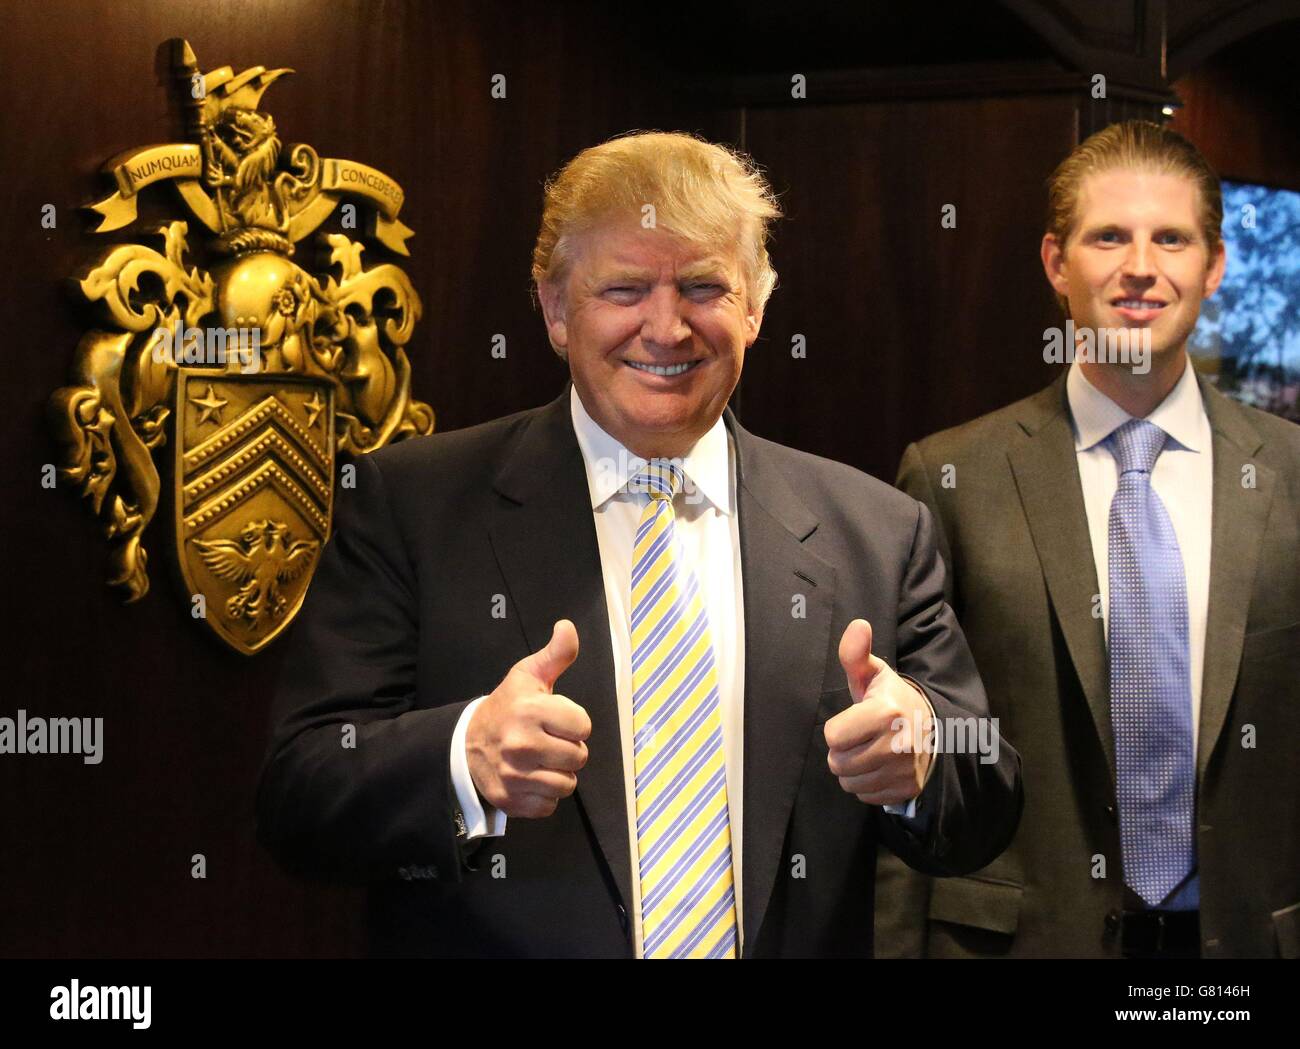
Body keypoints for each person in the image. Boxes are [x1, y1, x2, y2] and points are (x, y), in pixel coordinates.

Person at [256, 131, 1022, 958]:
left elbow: (988, 794)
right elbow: (298, 793)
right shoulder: (410, 506)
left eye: (703, 286)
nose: (666, 328)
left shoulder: (876, 529)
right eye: (625, 288)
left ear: (757, 307)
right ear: (555, 310)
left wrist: (926, 757)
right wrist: (461, 756)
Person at [883, 120, 1300, 959]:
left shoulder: (1291, 470)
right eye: (1108, 235)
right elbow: (913, 750)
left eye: (1171, 238)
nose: (1140, 266)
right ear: (1055, 264)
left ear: (1213, 268)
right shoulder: (951, 475)